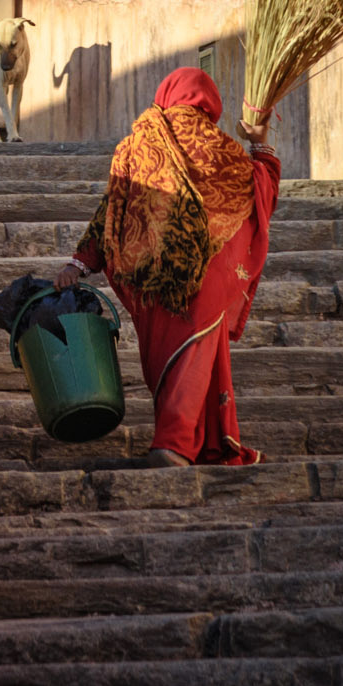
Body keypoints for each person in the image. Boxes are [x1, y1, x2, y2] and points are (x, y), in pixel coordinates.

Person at [53, 66, 279, 467]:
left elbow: (113, 210)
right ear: (209, 104)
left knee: (170, 360)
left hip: (151, 276)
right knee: (193, 355)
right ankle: (180, 445)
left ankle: (175, 444)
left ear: (167, 94)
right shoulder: (222, 147)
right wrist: (261, 145)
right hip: (205, 275)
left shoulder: (136, 143)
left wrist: (79, 263)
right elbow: (260, 187)